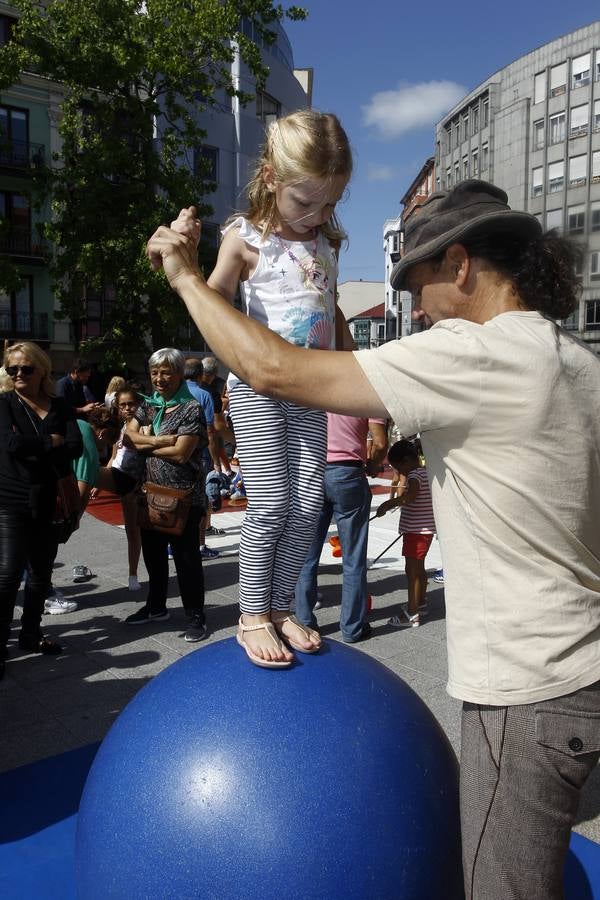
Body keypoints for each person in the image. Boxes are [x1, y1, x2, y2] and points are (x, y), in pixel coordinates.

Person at [148, 177, 600, 900]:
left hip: (527, 691)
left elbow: (273, 369)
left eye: (418, 284)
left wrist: (184, 276)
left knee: (502, 887)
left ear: (460, 265)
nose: (415, 309)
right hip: (587, 669)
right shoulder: (574, 359)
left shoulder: (471, 352)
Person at [171, 110, 354, 668]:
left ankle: (280, 609)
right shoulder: (246, 238)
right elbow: (215, 308)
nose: (318, 216)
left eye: (330, 204)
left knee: (305, 505)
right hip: (258, 387)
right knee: (270, 501)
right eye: (307, 203)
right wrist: (190, 257)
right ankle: (251, 614)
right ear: (271, 177)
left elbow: (330, 311)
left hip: (311, 388)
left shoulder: (324, 243)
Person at [0, 342, 83, 676]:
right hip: (11, 498)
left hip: (49, 500)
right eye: (12, 369)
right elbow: (11, 443)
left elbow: (76, 446)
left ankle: (31, 634)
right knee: (7, 577)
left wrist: (39, 448)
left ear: (42, 370)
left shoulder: (60, 405)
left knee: (40, 575)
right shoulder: (4, 404)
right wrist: (52, 442)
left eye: (26, 368)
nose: (19, 374)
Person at [124, 348, 208, 642]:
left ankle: (196, 615)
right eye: (154, 372)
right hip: (151, 494)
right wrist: (159, 440)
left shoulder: (191, 408)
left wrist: (143, 441)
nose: (159, 379)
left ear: (178, 373)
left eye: (165, 372)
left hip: (184, 497)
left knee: (186, 560)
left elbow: (182, 452)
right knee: (153, 555)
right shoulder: (148, 405)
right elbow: (126, 438)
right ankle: (156, 606)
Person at [295, 413, 388, 643]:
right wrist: (373, 464)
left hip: (312, 471)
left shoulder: (315, 386)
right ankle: (352, 628)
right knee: (353, 558)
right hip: (348, 471)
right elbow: (380, 443)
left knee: (306, 556)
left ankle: (304, 622)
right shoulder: (366, 393)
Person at [376, 439, 436, 628]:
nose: (399, 472)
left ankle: (412, 613)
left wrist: (389, 504)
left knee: (412, 572)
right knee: (419, 570)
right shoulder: (426, 471)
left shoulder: (415, 476)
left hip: (416, 531)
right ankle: (421, 602)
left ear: (406, 461)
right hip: (423, 530)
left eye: (398, 467)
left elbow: (410, 497)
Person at [104, 385, 145, 590]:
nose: (128, 408)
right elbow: (113, 457)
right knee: (132, 530)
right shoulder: (120, 428)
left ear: (138, 404)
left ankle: (133, 574)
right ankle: (133, 573)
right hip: (119, 477)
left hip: (134, 483)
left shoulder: (144, 427)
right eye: (123, 405)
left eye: (131, 404)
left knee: (135, 530)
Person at [184, 357, 222, 555]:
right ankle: (199, 545)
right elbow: (210, 431)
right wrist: (217, 462)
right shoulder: (204, 395)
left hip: (177, 453)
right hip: (200, 454)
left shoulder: (175, 392)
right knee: (200, 501)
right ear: (201, 375)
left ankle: (175, 545)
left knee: (180, 499)